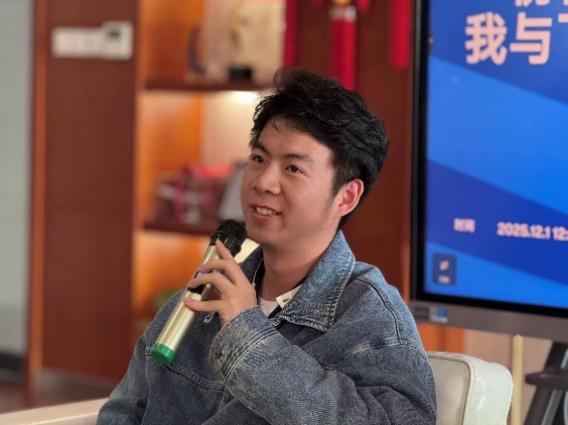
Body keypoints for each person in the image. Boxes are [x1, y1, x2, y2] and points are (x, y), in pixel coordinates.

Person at [97, 69, 436, 424]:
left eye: (293, 168)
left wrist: (246, 335)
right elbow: (124, 412)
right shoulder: (204, 297)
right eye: (258, 159)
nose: (263, 182)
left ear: (346, 197)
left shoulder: (370, 318)